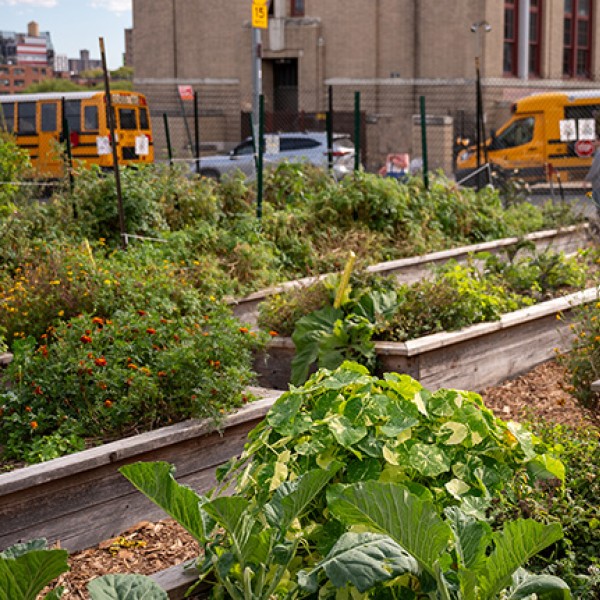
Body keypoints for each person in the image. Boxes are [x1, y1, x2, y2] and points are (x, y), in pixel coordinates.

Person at [585, 138, 600, 218]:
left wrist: (586, 179)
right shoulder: (597, 153)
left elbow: (595, 169)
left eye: (594, 141)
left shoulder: (599, 153)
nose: (592, 142)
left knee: (597, 201)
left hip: (598, 182)